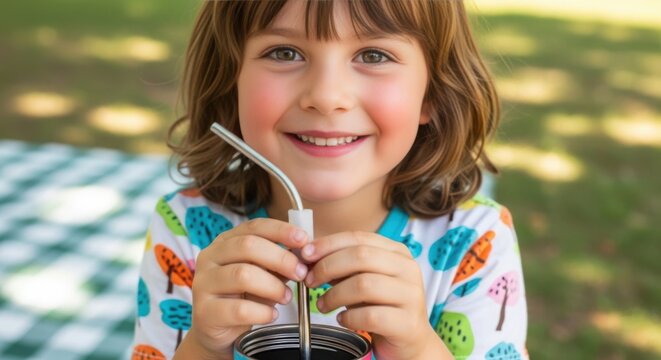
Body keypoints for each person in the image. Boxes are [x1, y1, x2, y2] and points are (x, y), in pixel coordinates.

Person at [132, 0, 528, 359]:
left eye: (373, 54)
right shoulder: (187, 229)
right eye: (284, 53)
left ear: (433, 94)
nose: (326, 95)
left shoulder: (474, 241)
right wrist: (204, 345)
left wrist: (418, 347)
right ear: (230, 80)